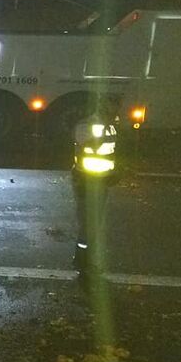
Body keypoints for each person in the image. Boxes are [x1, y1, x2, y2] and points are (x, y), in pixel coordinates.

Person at [71, 109, 118, 275]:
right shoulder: (87, 125)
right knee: (88, 225)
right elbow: (86, 143)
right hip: (87, 181)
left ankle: (86, 261)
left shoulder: (110, 126)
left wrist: (113, 174)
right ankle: (82, 261)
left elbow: (111, 152)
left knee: (94, 224)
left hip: (101, 180)